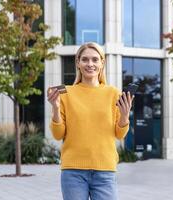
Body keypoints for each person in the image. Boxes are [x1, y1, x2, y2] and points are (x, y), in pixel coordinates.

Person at [47, 42, 134, 200]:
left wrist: (124, 116)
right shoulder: (65, 92)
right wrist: (55, 108)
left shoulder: (113, 93)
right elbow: (58, 135)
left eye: (95, 59)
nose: (90, 64)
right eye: (85, 59)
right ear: (78, 63)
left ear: (102, 63)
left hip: (105, 171)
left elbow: (119, 134)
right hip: (73, 171)